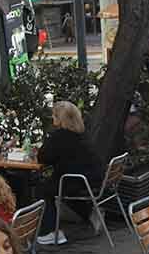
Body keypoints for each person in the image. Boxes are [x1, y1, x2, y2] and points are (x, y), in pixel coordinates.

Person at [36, 100, 103, 245]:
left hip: (76, 182)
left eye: (54, 116)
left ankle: (51, 231)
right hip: (94, 180)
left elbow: (43, 157)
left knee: (42, 190)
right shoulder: (82, 134)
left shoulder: (59, 136)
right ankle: (87, 213)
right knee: (52, 185)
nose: (52, 119)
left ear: (59, 119)